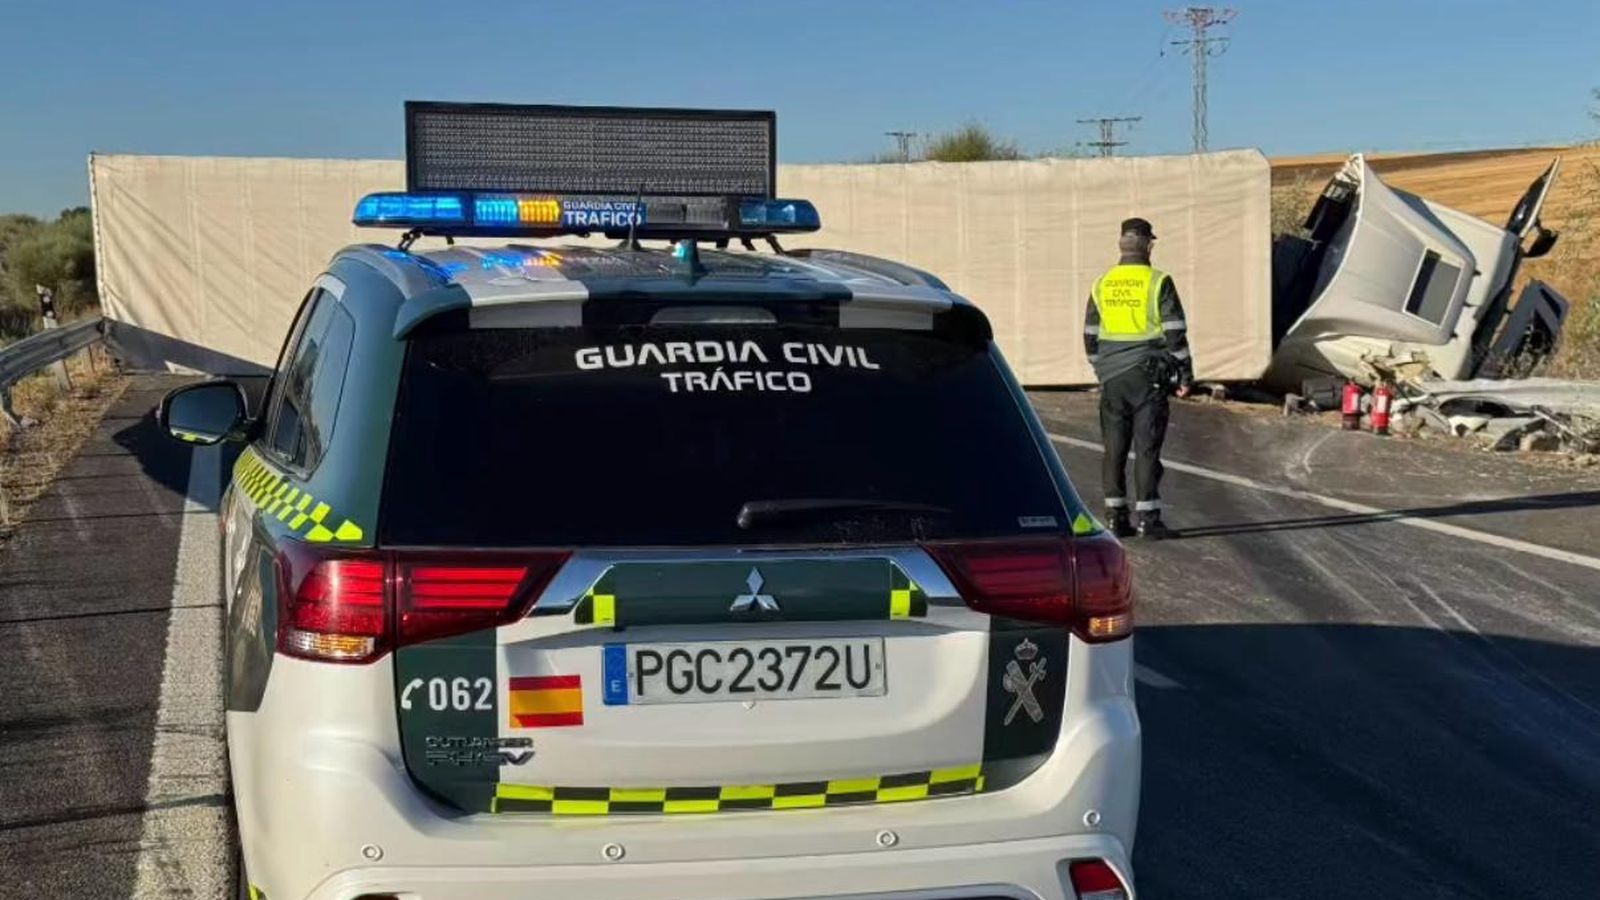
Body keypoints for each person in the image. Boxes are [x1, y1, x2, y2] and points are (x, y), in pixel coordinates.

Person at [1082, 217, 1193, 540]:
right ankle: (1148, 519)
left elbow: (1090, 333)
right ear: (1148, 245)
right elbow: (1174, 331)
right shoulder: (1158, 281)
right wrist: (1185, 374)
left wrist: (1100, 369)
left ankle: (1115, 518)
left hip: (1112, 376)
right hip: (1148, 375)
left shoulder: (1102, 282)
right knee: (1146, 447)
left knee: (1114, 447)